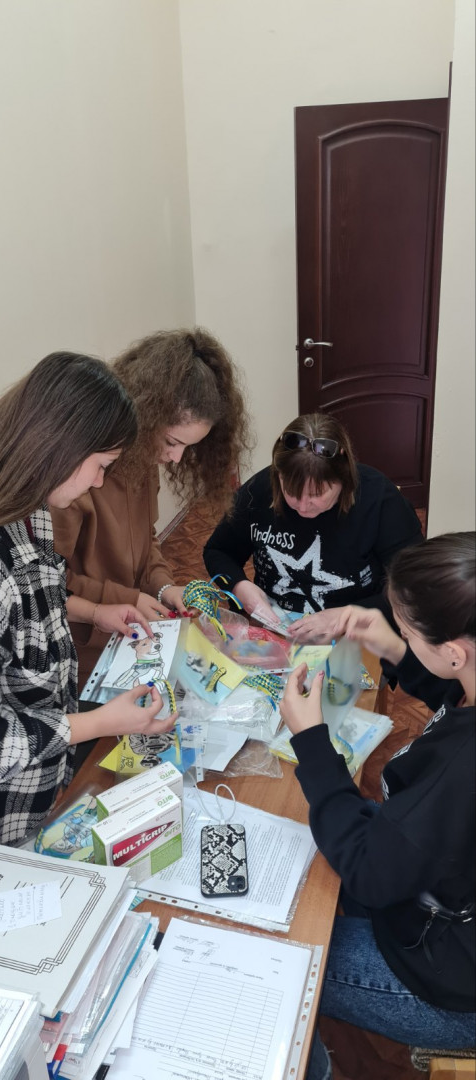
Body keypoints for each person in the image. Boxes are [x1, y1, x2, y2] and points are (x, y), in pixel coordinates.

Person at [279, 532, 475, 1077]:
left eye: (408, 632)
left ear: (454, 651)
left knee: (285, 950)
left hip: (452, 986)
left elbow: (370, 874)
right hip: (442, 893)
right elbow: (453, 698)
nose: (402, 637)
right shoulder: (468, 686)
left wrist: (311, 741)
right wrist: (393, 648)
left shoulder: (459, 770)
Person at [0, 352, 176, 846]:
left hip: (47, 780)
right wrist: (97, 723)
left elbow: (37, 597)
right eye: (100, 466)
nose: (98, 482)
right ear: (61, 445)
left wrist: (95, 611)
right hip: (5, 815)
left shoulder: (34, 508)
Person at [51, 327, 251, 687]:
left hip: (128, 635)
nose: (176, 458)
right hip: (81, 650)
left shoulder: (142, 460)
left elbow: (147, 540)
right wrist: (128, 599)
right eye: (172, 441)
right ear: (146, 414)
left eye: (188, 447)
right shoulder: (74, 479)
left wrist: (163, 587)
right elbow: (48, 583)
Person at [203, 412, 423, 642]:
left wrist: (347, 616)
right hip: (273, 630)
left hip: (355, 634)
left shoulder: (379, 498)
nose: (302, 506)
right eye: (290, 492)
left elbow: (415, 586)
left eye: (316, 494)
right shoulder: (257, 491)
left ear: (344, 478)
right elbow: (218, 551)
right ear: (278, 476)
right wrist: (239, 586)